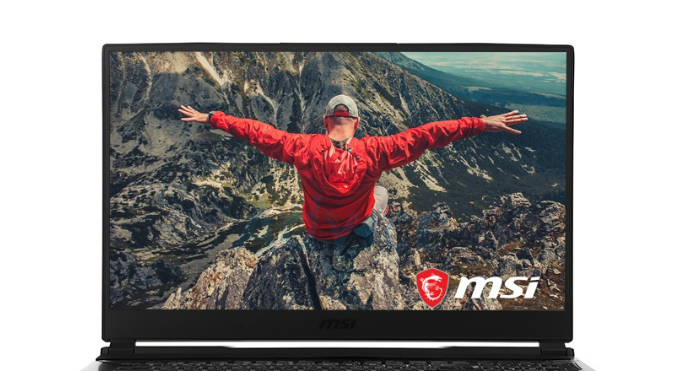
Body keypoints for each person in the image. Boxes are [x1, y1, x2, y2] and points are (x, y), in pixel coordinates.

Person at [178, 95, 526, 254]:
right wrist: (479, 123)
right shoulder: (375, 151)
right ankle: (364, 231)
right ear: (357, 123)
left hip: (318, 232)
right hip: (351, 225)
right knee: (382, 193)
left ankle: (343, 233)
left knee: (373, 194)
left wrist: (212, 118)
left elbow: (257, 131)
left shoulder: (302, 147)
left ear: (325, 121)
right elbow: (427, 134)